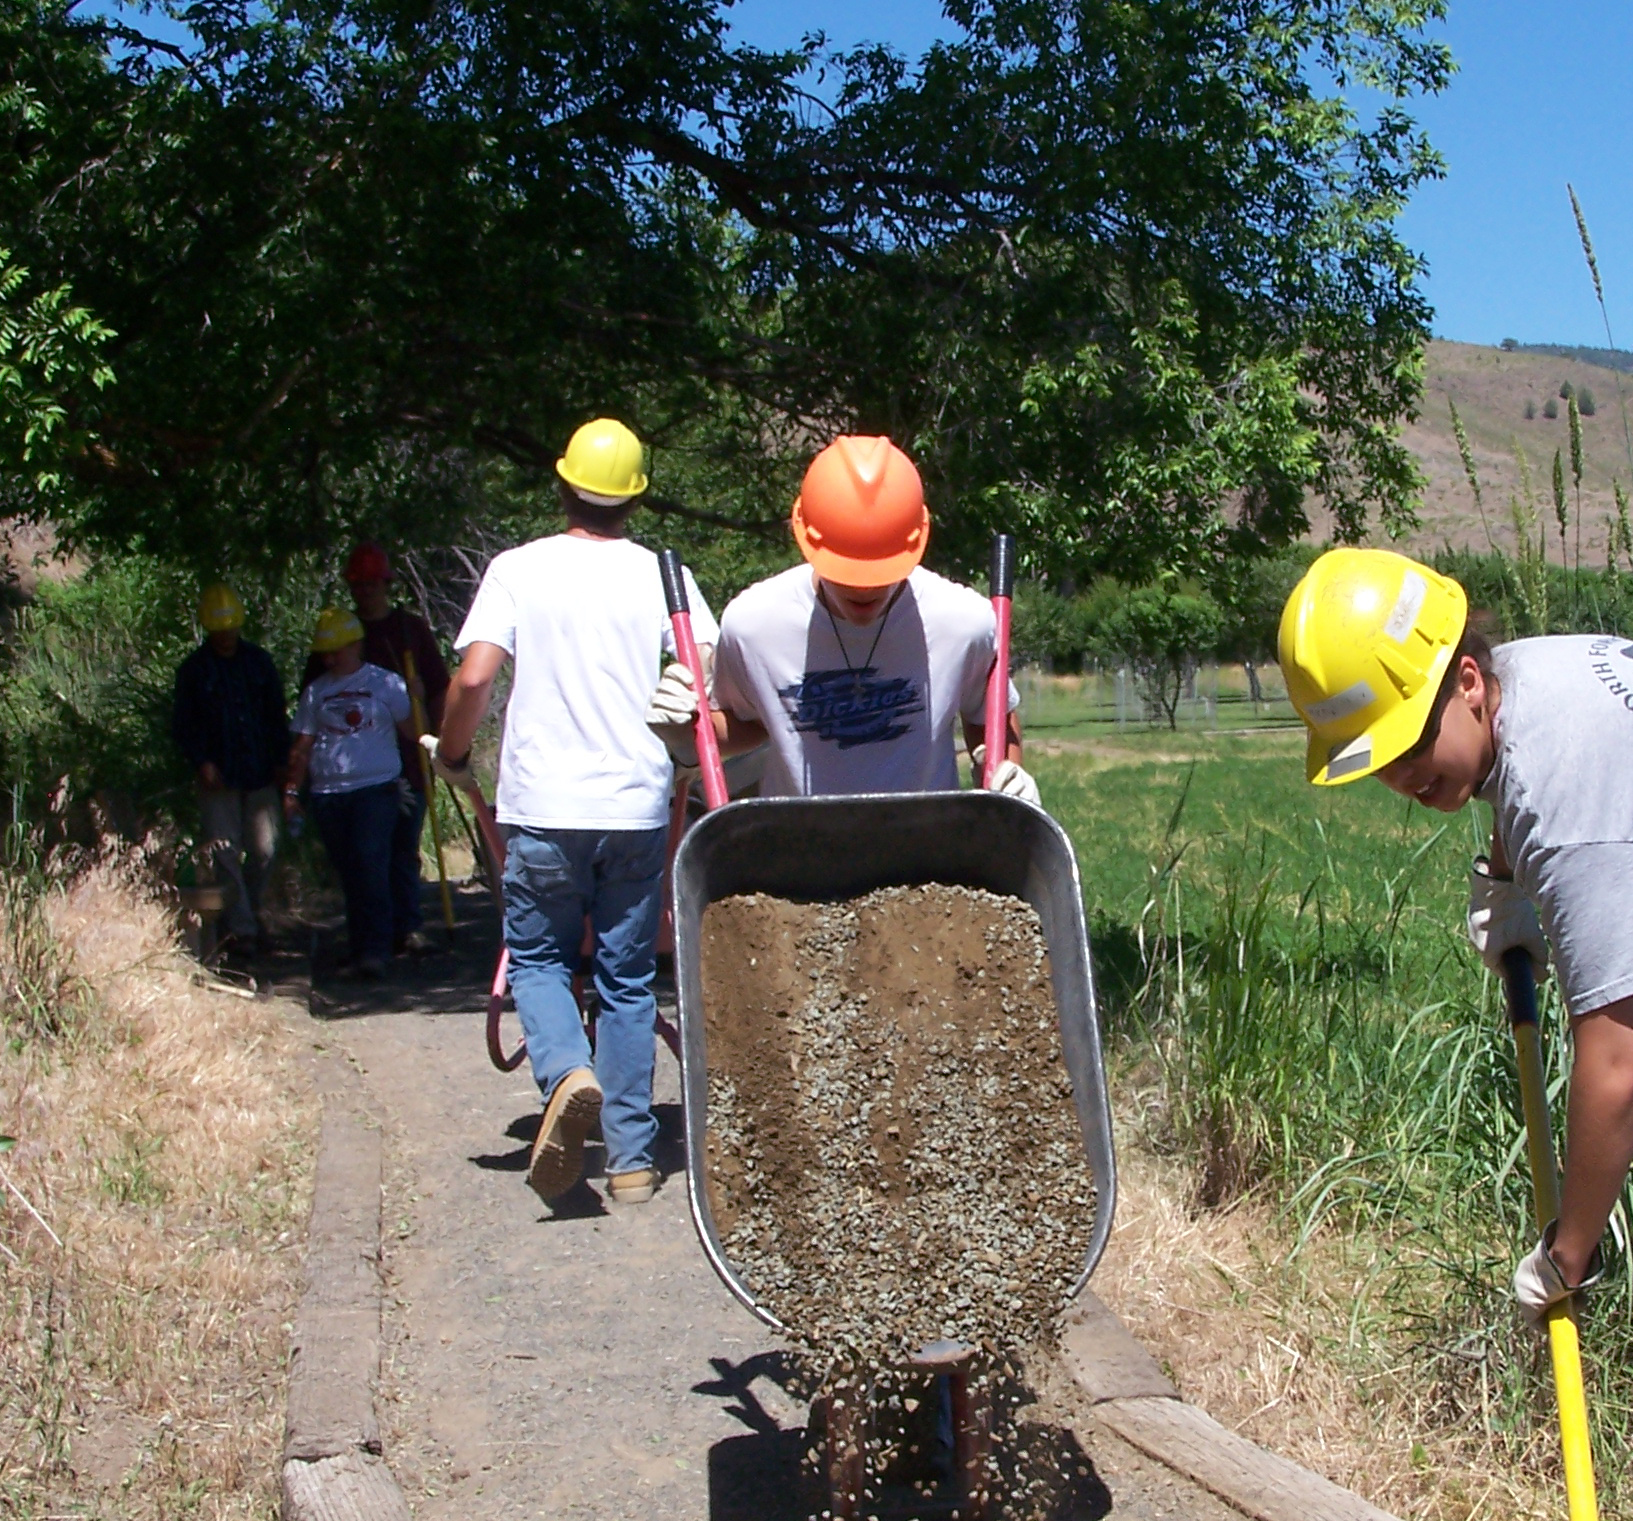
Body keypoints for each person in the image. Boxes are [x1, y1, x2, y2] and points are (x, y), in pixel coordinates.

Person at [1279, 546, 1633, 1325]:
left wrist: (1568, 1254)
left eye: (1405, 743)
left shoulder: (1566, 812)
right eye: (1373, 759)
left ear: (1466, 681)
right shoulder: (1527, 672)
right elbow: (1515, 765)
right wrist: (1504, 874)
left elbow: (1617, 1064)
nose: (1401, 776)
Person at [424, 418, 718, 1208]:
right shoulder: (664, 575)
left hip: (544, 807)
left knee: (540, 959)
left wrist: (453, 753)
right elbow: (708, 671)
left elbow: (475, 677)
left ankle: (565, 1073)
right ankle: (629, 1160)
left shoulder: (518, 569)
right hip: (634, 805)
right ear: (635, 498)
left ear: (563, 485)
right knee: (625, 979)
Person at [646, 433, 1039, 804]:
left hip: (925, 854)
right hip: (799, 854)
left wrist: (1007, 777)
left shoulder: (964, 622)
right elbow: (751, 723)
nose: (865, 588)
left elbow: (987, 714)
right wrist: (687, 732)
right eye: (847, 571)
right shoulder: (754, 626)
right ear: (806, 539)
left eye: (882, 572)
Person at [303, 542, 451, 954]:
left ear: (386, 584)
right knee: (365, 856)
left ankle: (407, 925)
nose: (365, 591)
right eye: (358, 584)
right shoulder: (339, 634)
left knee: (402, 847)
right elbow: (313, 699)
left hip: (408, 755)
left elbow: (440, 689)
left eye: (372, 583)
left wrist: (439, 741)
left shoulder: (411, 630)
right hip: (355, 764)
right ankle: (373, 936)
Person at [285, 607, 416, 980]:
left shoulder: (386, 684)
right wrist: (293, 790)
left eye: (336, 650)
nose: (330, 658)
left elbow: (411, 730)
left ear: (355, 645)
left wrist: (418, 699)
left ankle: (376, 950)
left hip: (375, 790)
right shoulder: (317, 692)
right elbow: (304, 744)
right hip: (329, 794)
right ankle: (359, 947)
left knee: (371, 863)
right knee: (349, 870)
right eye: (325, 652)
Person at [171, 582, 290, 954]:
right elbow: (183, 724)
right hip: (217, 778)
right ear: (208, 629)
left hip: (259, 773)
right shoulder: (193, 671)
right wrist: (201, 761)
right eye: (218, 630)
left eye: (230, 628)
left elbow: (275, 716)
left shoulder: (259, 664)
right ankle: (242, 930)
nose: (225, 636)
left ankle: (248, 913)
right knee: (224, 852)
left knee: (265, 851)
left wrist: (283, 763)